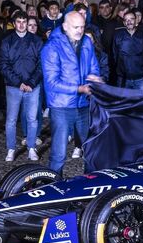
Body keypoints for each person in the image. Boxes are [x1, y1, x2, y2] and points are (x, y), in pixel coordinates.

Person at [41, 11, 101, 176]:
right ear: (65, 26)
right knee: (59, 153)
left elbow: (93, 66)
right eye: (76, 27)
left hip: (83, 104)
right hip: (61, 106)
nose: (80, 31)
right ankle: (52, 185)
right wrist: (78, 88)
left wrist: (94, 78)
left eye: (82, 27)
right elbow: (52, 82)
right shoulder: (51, 47)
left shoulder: (87, 42)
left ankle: (90, 183)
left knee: (90, 148)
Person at [0, 11, 43, 162]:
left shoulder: (36, 41)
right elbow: (4, 65)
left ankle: (31, 147)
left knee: (32, 118)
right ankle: (11, 149)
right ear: (14, 23)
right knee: (11, 119)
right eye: (19, 21)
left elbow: (41, 64)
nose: (22, 24)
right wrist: (19, 83)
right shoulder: (7, 41)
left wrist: (31, 82)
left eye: (24, 21)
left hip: (33, 87)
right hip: (13, 87)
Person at [112, 10, 143, 88]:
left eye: (131, 19)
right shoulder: (118, 36)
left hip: (140, 78)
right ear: (123, 23)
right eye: (126, 20)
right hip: (123, 78)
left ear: (136, 20)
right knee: (123, 100)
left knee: (141, 100)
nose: (129, 22)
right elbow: (115, 55)